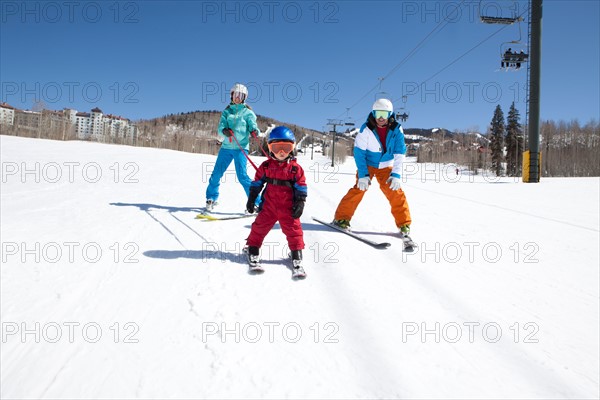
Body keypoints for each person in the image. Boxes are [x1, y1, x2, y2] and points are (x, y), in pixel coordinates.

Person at [332, 98, 414, 245]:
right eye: (377, 113)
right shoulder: (366, 129)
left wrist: (396, 174)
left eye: (384, 113)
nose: (380, 118)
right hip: (368, 164)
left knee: (395, 191)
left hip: (386, 165)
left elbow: (400, 153)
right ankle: (341, 218)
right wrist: (363, 175)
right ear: (373, 113)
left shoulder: (397, 129)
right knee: (359, 189)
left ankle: (404, 224)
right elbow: (359, 153)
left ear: (390, 114)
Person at [245, 126, 307, 277]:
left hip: (288, 208)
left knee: (294, 231)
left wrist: (300, 202)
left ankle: (296, 255)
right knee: (259, 227)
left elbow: (301, 187)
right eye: (277, 147)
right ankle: (253, 249)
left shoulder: (295, 169)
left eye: (286, 147)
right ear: (270, 148)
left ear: (292, 148)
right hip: (269, 207)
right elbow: (257, 183)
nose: (281, 152)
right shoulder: (266, 166)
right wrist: (252, 198)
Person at [205, 83, 261, 211]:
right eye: (236, 94)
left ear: (244, 97)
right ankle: (211, 198)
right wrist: (224, 131)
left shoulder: (248, 112)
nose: (238, 97)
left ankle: (257, 202)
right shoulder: (226, 111)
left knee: (242, 177)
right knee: (216, 174)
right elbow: (220, 128)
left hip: (241, 147)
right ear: (232, 95)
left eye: (241, 95)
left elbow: (254, 126)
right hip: (226, 147)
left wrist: (254, 131)